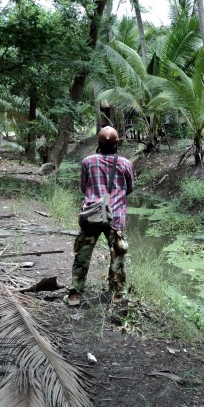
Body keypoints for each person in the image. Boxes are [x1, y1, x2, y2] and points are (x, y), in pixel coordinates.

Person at [65, 126, 135, 306]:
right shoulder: (126, 164)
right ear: (117, 143)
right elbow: (130, 188)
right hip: (116, 217)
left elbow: (83, 187)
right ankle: (118, 294)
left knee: (82, 254)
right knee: (117, 255)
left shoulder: (87, 162)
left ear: (99, 143)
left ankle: (74, 294)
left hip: (92, 216)